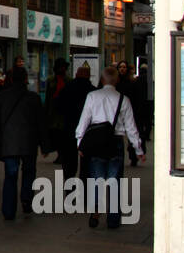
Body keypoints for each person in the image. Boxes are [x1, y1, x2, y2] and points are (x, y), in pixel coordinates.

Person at [76, 66, 143, 229]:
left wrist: (80, 142)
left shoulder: (92, 96)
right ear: (117, 80)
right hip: (115, 143)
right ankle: (113, 219)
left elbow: (84, 120)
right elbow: (131, 127)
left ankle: (96, 209)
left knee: (97, 179)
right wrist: (138, 149)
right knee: (115, 181)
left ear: (101, 79)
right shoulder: (124, 100)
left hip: (96, 143)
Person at [0, 65, 43, 220]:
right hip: (29, 143)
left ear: (11, 79)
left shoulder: (1, 97)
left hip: (9, 143)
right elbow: (41, 123)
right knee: (29, 171)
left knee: (10, 175)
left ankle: (8, 210)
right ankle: (27, 201)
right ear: (26, 80)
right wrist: (45, 145)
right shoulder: (34, 98)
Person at [56, 63, 95, 180]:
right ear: (89, 76)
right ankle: (85, 189)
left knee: (69, 163)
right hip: (88, 132)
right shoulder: (93, 92)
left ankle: (69, 190)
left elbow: (58, 106)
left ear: (76, 74)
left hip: (69, 129)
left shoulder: (67, 89)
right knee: (87, 162)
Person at [43, 58, 70, 162]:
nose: (62, 69)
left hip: (64, 111)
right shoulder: (51, 80)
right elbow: (48, 96)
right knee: (55, 133)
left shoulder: (69, 80)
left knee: (63, 134)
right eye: (60, 67)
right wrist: (46, 112)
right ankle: (59, 153)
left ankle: (62, 154)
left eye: (63, 67)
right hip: (53, 111)